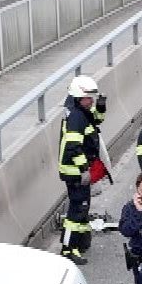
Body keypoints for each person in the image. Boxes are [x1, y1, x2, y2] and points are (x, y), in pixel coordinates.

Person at [58, 74, 107, 264]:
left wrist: (101, 107)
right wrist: (84, 169)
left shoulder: (79, 110)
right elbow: (73, 147)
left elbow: (96, 120)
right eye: (89, 98)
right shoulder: (76, 117)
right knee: (77, 209)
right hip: (74, 171)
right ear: (79, 97)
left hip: (77, 170)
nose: (92, 101)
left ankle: (81, 240)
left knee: (83, 205)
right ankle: (68, 248)